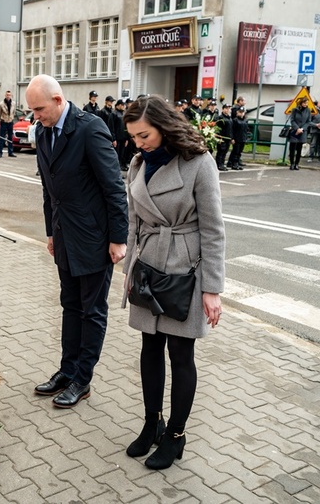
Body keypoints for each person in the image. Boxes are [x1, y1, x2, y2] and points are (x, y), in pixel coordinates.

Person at [122, 95, 225, 470]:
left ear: (164, 127)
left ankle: (176, 436)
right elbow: (133, 222)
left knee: (181, 355)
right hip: (148, 266)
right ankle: (152, 423)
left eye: (144, 135)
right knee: (150, 348)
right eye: (134, 137)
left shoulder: (199, 163)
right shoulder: (137, 164)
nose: (139, 143)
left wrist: (212, 289)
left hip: (185, 269)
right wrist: (128, 272)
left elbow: (214, 230)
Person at [27, 74, 128, 409]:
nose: (35, 116)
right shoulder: (42, 132)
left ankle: (83, 379)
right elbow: (48, 189)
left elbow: (114, 188)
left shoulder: (90, 128)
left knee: (92, 310)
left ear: (58, 100)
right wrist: (51, 232)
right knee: (69, 305)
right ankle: (66, 370)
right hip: (65, 236)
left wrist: (118, 238)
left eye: (39, 108)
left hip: (94, 238)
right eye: (32, 110)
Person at [287, 97, 313, 170]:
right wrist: (297, 128)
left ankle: (297, 164)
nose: (306, 104)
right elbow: (292, 120)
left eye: (307, 103)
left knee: (299, 148)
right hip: (294, 131)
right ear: (301, 103)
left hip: (302, 131)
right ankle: (292, 163)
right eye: (305, 103)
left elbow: (308, 121)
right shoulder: (294, 110)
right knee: (292, 148)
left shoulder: (308, 110)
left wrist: (302, 129)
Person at [0, 90, 17, 158]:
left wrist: (12, 118)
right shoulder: (1, 104)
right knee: (2, 137)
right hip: (3, 122)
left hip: (10, 122)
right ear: (5, 96)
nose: (8, 96)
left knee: (10, 138)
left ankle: (10, 152)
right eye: (7, 95)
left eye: (9, 95)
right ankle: (0, 152)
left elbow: (14, 112)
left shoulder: (13, 103)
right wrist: (1, 119)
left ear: (11, 96)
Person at [228, 106, 248, 170]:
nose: (241, 114)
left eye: (242, 112)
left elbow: (246, 130)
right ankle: (234, 164)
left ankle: (237, 163)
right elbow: (232, 130)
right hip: (237, 138)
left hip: (243, 138)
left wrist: (246, 137)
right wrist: (232, 138)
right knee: (235, 152)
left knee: (239, 152)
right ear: (237, 112)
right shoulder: (235, 120)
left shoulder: (245, 120)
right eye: (240, 112)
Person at [215, 103, 233, 171]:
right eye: (226, 108)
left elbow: (231, 129)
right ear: (223, 109)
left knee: (225, 152)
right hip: (222, 137)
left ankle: (222, 164)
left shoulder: (230, 118)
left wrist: (231, 137)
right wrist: (219, 137)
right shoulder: (220, 118)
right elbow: (218, 129)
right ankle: (218, 164)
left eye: (229, 108)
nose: (228, 110)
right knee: (221, 151)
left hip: (228, 138)